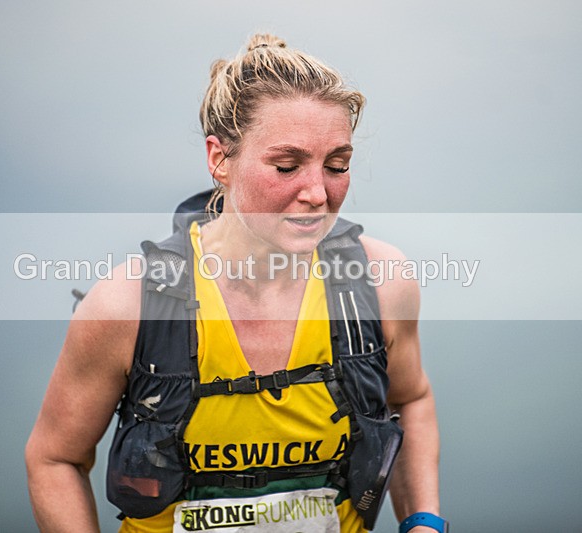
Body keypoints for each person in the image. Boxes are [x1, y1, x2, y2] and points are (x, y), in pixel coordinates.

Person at [26, 33, 444, 533]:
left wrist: (423, 521)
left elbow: (410, 398)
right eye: (286, 166)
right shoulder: (128, 305)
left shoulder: (381, 283)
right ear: (219, 159)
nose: (317, 192)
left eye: (337, 165)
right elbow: (54, 458)